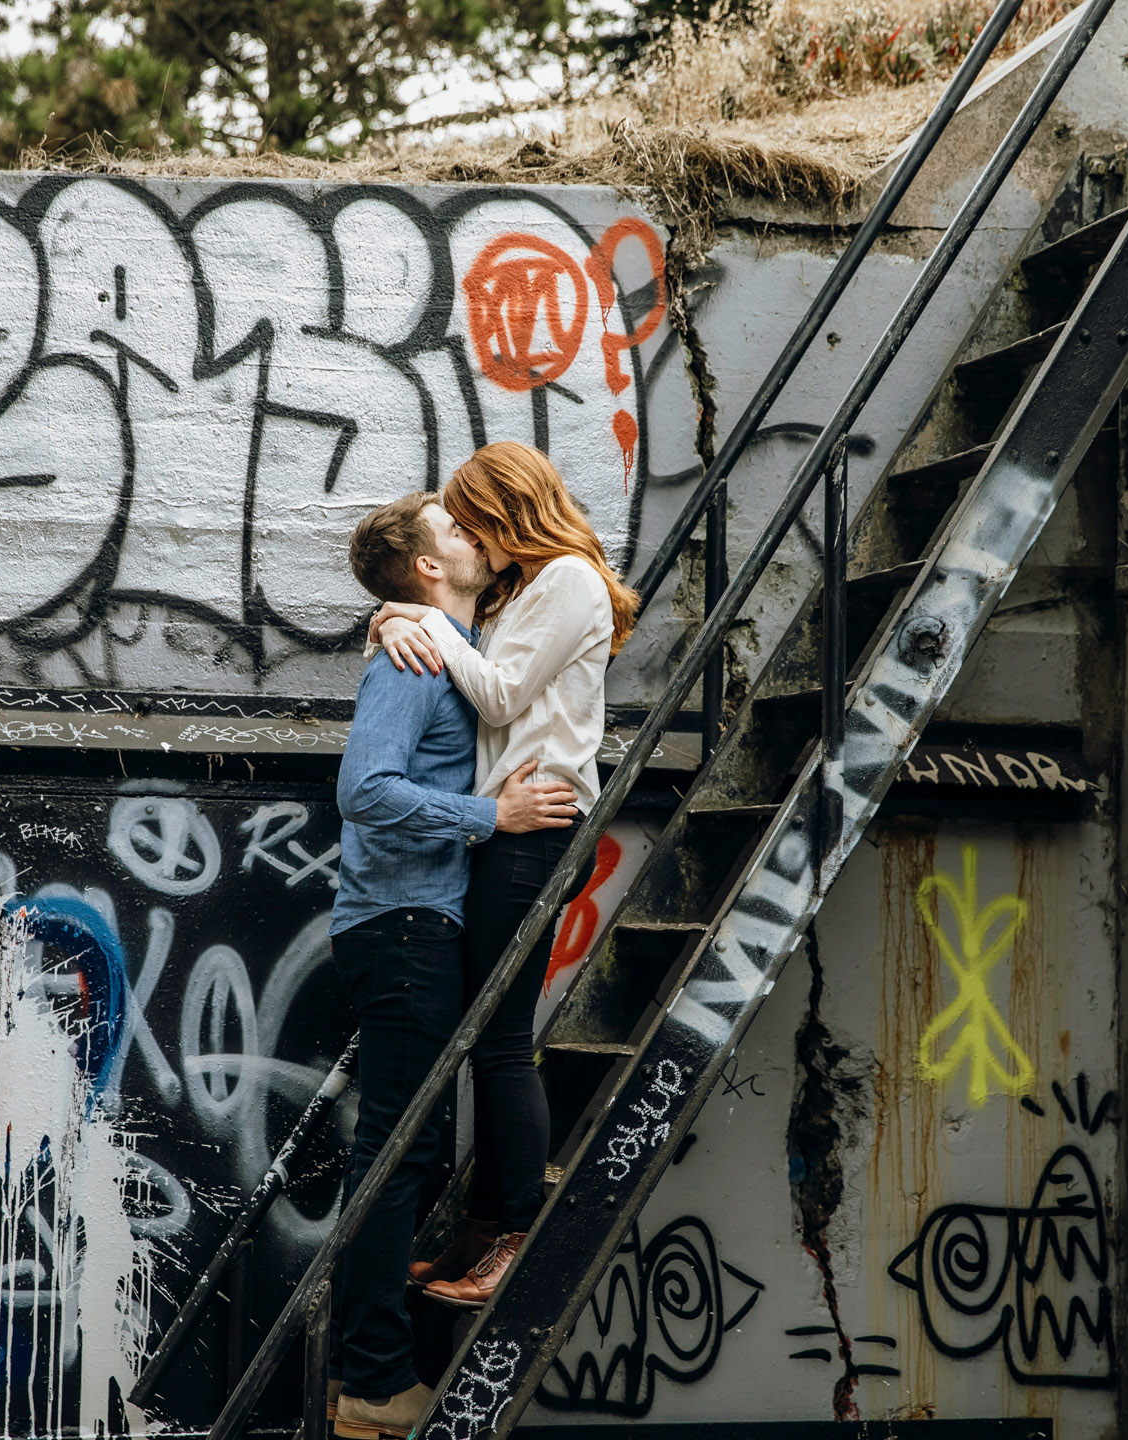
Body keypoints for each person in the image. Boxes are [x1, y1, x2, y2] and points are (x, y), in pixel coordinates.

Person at [367, 441, 640, 1310]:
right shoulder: (524, 585)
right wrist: (393, 617)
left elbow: (495, 695)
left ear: (506, 508)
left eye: (471, 517)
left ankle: (514, 1233)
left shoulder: (567, 578)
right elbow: (443, 613)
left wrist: (426, 623)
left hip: (534, 829)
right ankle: (485, 1227)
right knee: (487, 1036)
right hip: (503, 827)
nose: (466, 536)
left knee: (501, 1036)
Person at [328, 491, 578, 1440]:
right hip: (399, 927)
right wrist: (492, 819)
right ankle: (374, 1382)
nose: (476, 536)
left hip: (415, 922)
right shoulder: (416, 656)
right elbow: (365, 789)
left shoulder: (437, 641)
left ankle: (374, 1379)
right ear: (428, 567)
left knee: (412, 1150)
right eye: (455, 530)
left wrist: (394, 613)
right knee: (394, 1154)